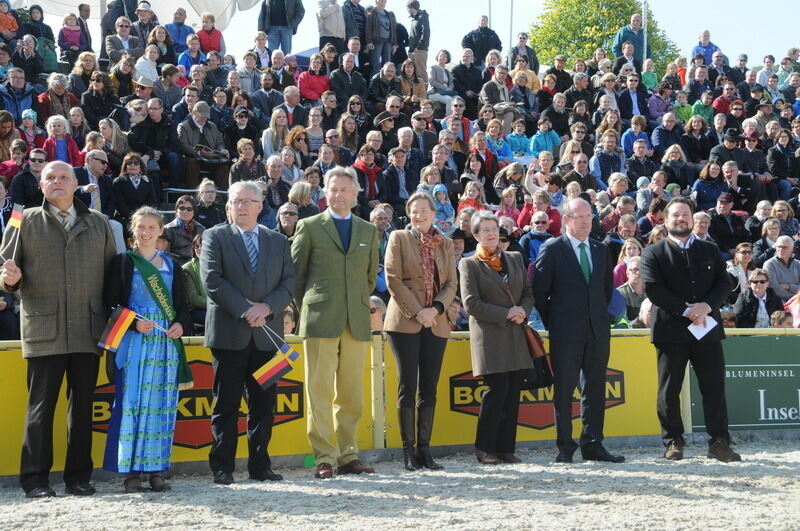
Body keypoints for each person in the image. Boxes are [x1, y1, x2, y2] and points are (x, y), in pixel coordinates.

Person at [0, 161, 117, 498]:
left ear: (76, 183)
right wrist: (11, 280)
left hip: (87, 327)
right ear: (40, 185)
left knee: (82, 408)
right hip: (44, 329)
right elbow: (7, 272)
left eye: (64, 177)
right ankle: (34, 480)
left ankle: (78, 477)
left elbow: (113, 276)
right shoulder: (23, 220)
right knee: (40, 408)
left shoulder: (98, 223)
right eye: (49, 177)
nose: (57, 182)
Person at [200, 180, 295, 485]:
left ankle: (260, 466)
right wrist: (245, 309)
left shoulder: (278, 241)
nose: (240, 206)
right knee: (226, 405)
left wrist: (266, 308)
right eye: (235, 202)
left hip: (267, 338)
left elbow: (289, 283)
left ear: (259, 206)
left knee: (264, 406)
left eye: (246, 201)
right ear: (228, 207)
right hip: (230, 337)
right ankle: (223, 467)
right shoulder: (214, 236)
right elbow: (212, 281)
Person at [291, 165, 380, 479]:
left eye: (345, 189)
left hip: (355, 320)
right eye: (334, 189)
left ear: (356, 193)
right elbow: (296, 275)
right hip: (319, 319)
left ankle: (348, 454)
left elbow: (370, 278)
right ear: (324, 192)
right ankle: (324, 457)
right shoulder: (309, 226)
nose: (339, 194)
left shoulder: (368, 231)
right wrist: (311, 306)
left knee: (352, 392)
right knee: (319, 390)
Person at [640, 197, 741, 462]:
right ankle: (673, 441)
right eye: (675, 215)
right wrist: (687, 310)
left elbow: (724, 283)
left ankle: (719, 442)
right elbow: (653, 289)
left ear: (693, 217)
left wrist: (706, 306)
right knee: (669, 390)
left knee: (714, 388)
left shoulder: (710, 250)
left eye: (685, 214)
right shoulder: (653, 252)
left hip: (706, 329)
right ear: (666, 219)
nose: (681, 219)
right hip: (670, 332)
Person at [102, 206, 191, 493]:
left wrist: (179, 325)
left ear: (161, 230)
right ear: (133, 230)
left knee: (162, 405)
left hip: (164, 344)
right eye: (141, 227)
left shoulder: (173, 265)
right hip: (135, 342)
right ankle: (130, 473)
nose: (146, 232)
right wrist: (132, 324)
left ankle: (156, 470)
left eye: (152, 227)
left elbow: (183, 307)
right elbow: (111, 303)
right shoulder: (123, 263)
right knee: (132, 404)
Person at [533, 197, 623, 464]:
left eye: (589, 217)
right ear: (566, 220)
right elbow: (540, 292)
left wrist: (599, 319)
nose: (585, 222)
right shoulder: (552, 248)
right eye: (579, 217)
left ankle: (593, 443)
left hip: (597, 330)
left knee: (595, 389)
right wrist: (556, 323)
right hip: (565, 332)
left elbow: (606, 291)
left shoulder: (601, 249)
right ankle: (565, 446)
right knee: (564, 390)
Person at [383, 192, 456, 470]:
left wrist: (435, 310)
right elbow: (393, 279)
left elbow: (451, 283)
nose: (419, 215)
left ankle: (425, 450)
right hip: (404, 321)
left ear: (434, 213)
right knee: (407, 385)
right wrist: (418, 312)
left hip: (435, 321)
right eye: (414, 211)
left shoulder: (445, 243)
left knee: (429, 387)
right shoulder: (399, 238)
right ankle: (408, 452)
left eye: (424, 211)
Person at [459, 210, 532, 464]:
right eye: (485, 230)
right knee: (497, 390)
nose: (491, 234)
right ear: (476, 235)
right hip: (490, 337)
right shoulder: (468, 263)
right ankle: (484, 447)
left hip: (515, 333)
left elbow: (528, 292)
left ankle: (505, 448)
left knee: (513, 392)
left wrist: (523, 310)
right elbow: (471, 304)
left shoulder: (514, 258)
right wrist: (507, 312)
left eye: (494, 229)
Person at [763, 236, 800, 303]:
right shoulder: (769, 264)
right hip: (780, 305)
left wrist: (789, 286)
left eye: (784, 247)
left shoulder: (798, 264)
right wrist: (796, 298)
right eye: (778, 246)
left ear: (792, 249)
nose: (780, 249)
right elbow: (775, 290)